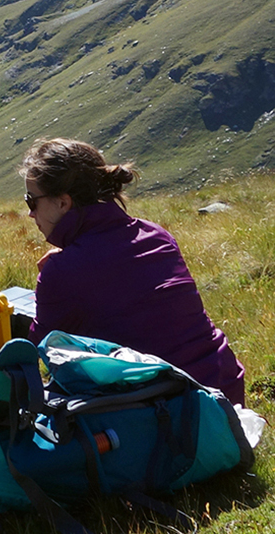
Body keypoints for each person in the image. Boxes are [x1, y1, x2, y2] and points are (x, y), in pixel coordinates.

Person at [21, 138, 245, 405]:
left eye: (31, 201)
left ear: (63, 203)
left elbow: (36, 350)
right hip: (225, 390)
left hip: (168, 412)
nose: (31, 214)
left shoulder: (61, 272)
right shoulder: (156, 234)